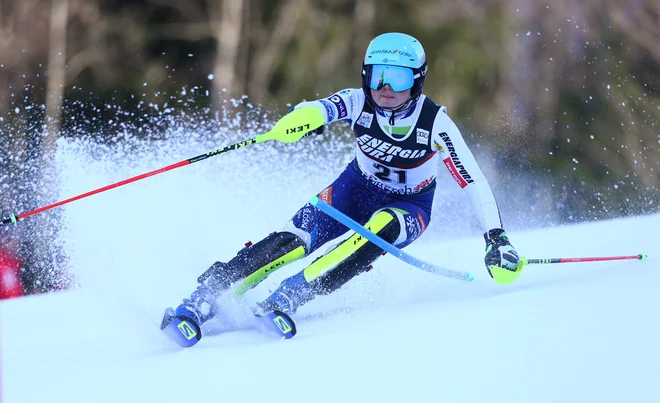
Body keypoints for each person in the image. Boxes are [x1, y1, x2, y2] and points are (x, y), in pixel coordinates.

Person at [171, 32, 521, 329]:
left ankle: (292, 294)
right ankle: (207, 296)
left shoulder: (435, 124)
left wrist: (496, 237)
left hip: (409, 206)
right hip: (353, 189)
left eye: (397, 78)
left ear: (417, 80)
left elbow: (473, 180)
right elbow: (320, 109)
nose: (384, 88)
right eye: (376, 76)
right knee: (293, 240)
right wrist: (302, 120)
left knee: (379, 228)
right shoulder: (357, 101)